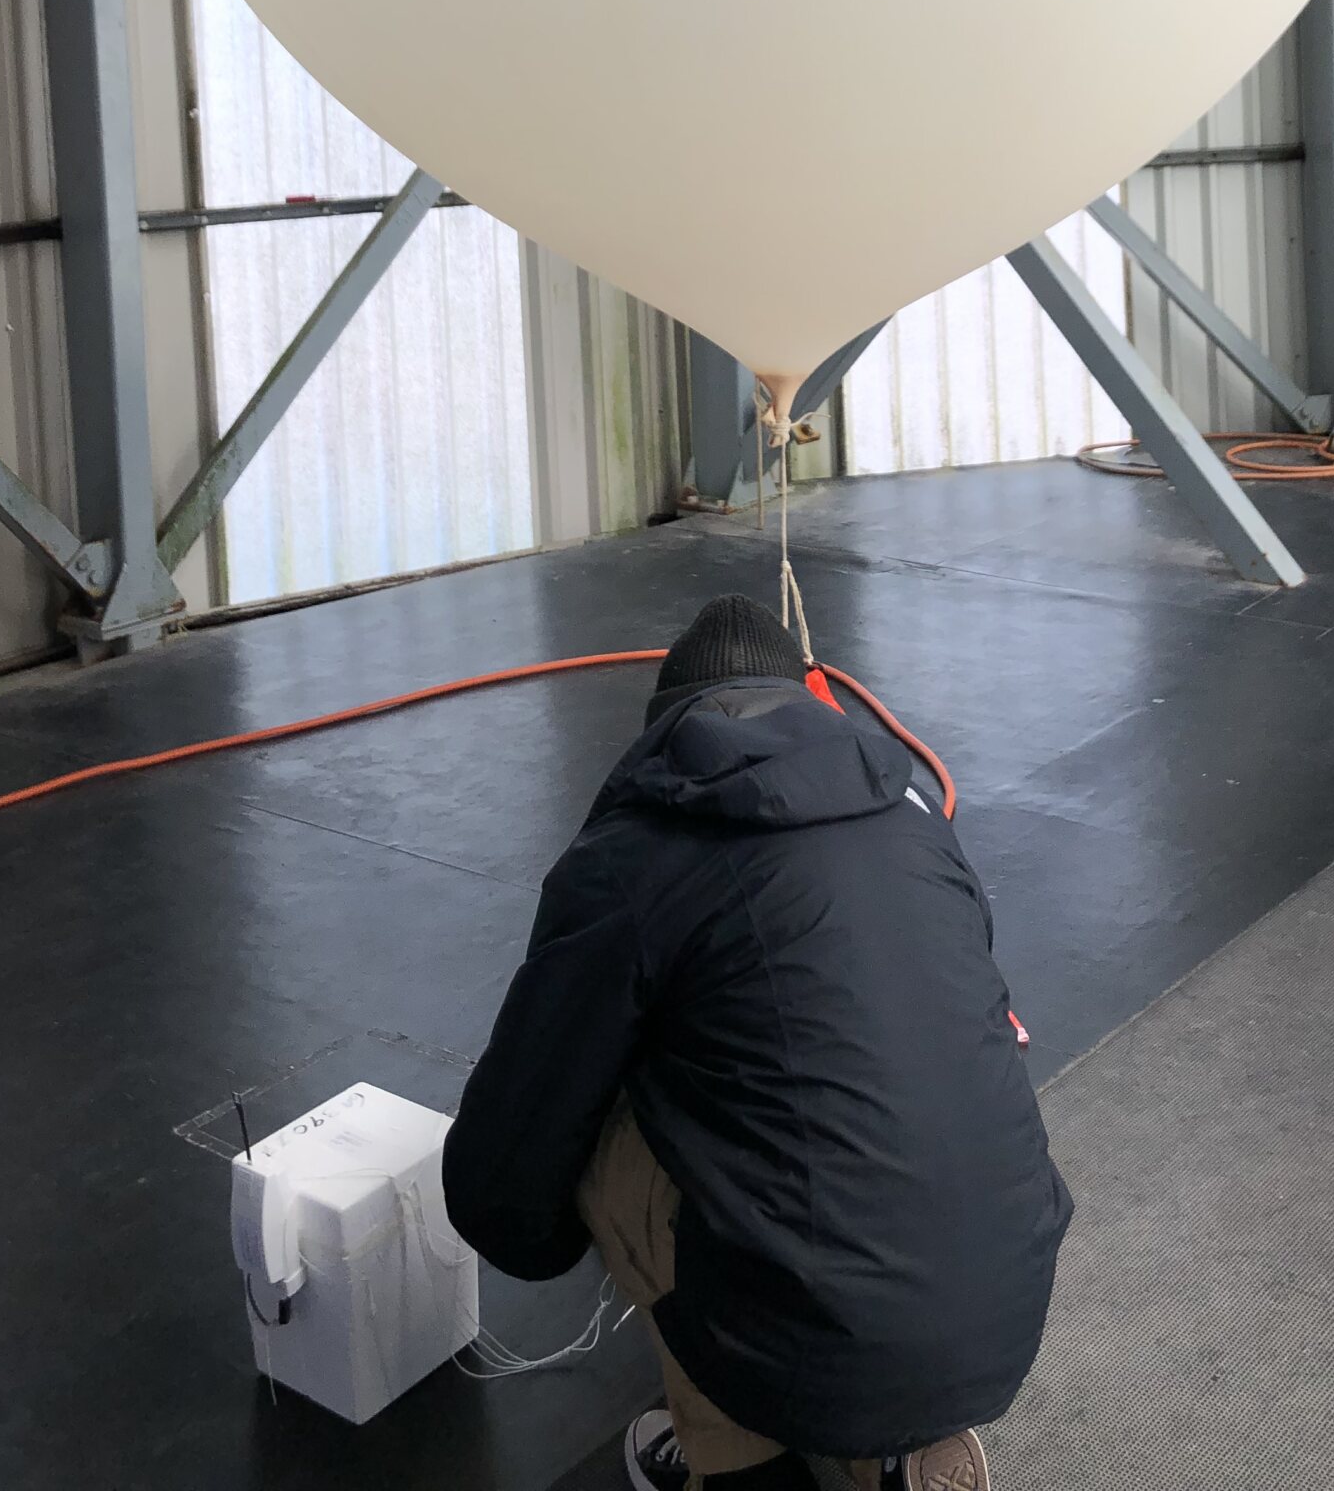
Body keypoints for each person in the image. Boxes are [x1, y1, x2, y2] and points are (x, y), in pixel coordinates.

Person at [442, 594, 1070, 1491]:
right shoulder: (917, 821)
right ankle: (897, 1453)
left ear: (669, 732)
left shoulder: (633, 853)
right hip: (1009, 1304)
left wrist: (547, 1231)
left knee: (600, 1122)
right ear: (808, 704)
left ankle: (740, 1464)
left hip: (822, 1339)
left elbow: (508, 1160)